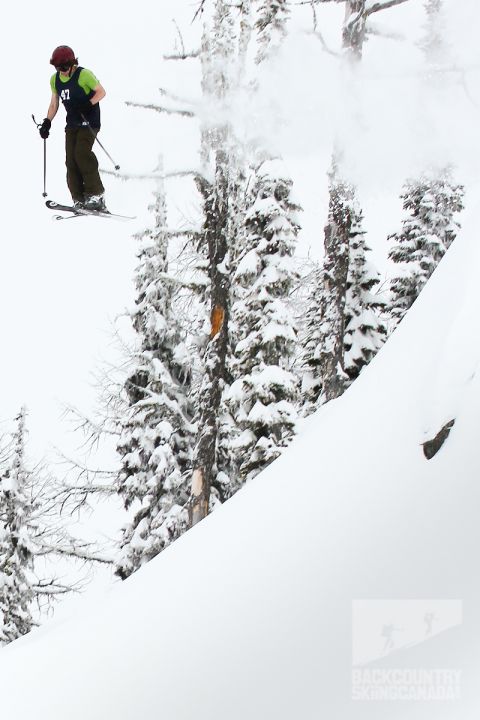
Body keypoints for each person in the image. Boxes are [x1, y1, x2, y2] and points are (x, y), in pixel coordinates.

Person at [39, 46, 107, 211]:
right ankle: (79, 199)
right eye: (57, 67)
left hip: (89, 122)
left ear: (72, 64)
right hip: (72, 124)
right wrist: (47, 122)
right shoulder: (54, 80)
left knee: (82, 154)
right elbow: (54, 102)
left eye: (63, 67)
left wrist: (87, 103)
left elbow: (101, 92)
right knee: (71, 160)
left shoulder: (84, 75)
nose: (61, 71)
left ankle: (96, 195)